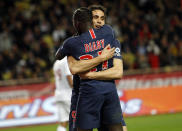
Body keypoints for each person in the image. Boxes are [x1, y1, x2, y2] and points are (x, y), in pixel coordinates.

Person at [56, 7, 123, 131]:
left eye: (102, 18)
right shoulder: (109, 32)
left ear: (76, 23)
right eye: (95, 18)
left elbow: (59, 56)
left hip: (88, 93)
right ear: (91, 21)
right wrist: (101, 57)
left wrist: (90, 75)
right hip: (108, 92)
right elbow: (74, 68)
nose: (99, 21)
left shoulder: (72, 44)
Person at [53, 57, 73, 131]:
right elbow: (70, 80)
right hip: (68, 95)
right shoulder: (66, 61)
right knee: (77, 120)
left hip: (59, 94)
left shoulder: (56, 63)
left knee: (63, 123)